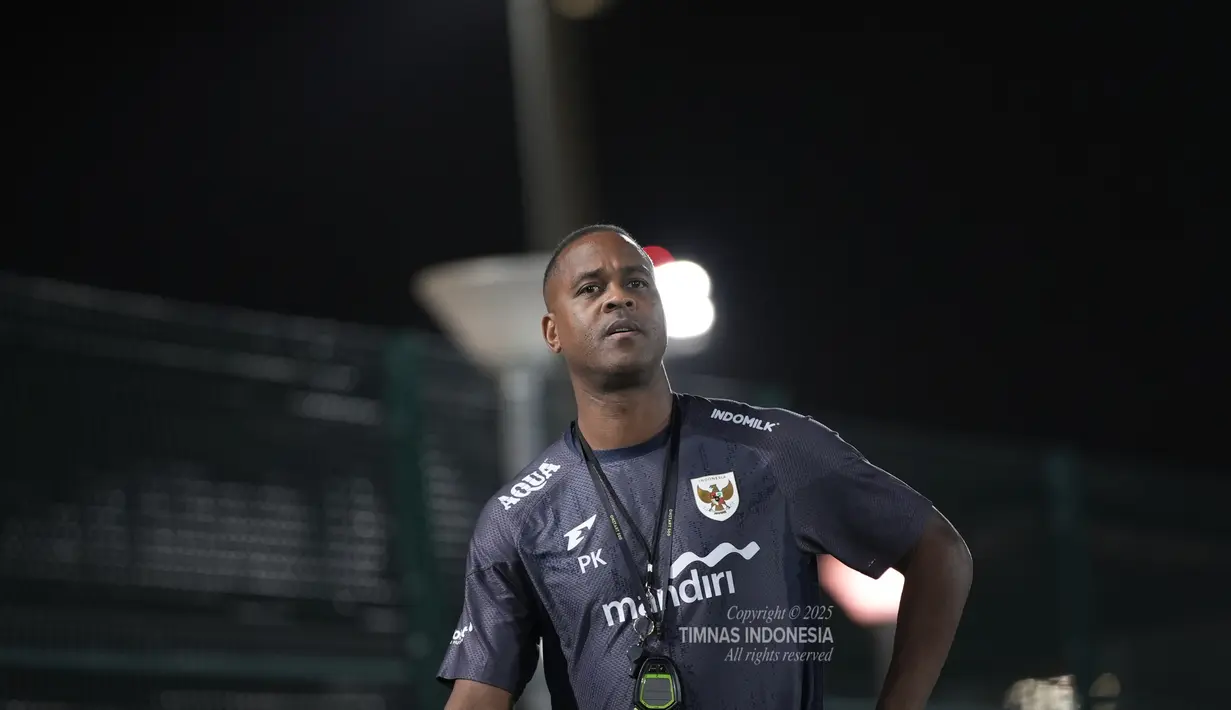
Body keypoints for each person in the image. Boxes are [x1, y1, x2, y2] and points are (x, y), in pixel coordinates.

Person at [437, 225, 973, 710]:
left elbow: (938, 552)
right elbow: (480, 692)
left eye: (637, 283)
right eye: (590, 289)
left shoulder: (774, 449)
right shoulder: (519, 516)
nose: (618, 297)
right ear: (553, 333)